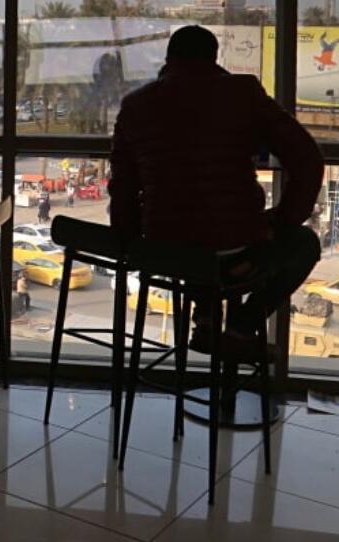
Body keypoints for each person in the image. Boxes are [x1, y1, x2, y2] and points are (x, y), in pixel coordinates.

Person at [110, 25, 324, 355]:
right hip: (233, 250)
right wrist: (280, 220)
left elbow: (123, 187)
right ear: (214, 57)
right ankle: (241, 326)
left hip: (165, 251)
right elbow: (307, 158)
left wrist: (131, 244)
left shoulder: (136, 105)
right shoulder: (243, 94)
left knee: (192, 234)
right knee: (304, 244)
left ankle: (206, 322)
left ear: (169, 59)